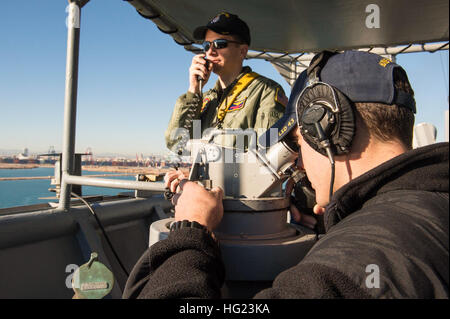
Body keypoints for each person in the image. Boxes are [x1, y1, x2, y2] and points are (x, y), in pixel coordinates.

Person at [123, 51, 449, 299]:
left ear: (328, 127)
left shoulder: (342, 271)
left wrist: (189, 233)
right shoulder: (431, 203)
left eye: (297, 142)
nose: (302, 165)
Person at [164, 12, 288, 155]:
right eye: (206, 45)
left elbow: (267, 157)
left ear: (242, 51)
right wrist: (193, 90)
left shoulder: (265, 91)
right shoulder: (205, 100)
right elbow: (177, 144)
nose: (210, 51)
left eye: (219, 44)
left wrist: (205, 173)